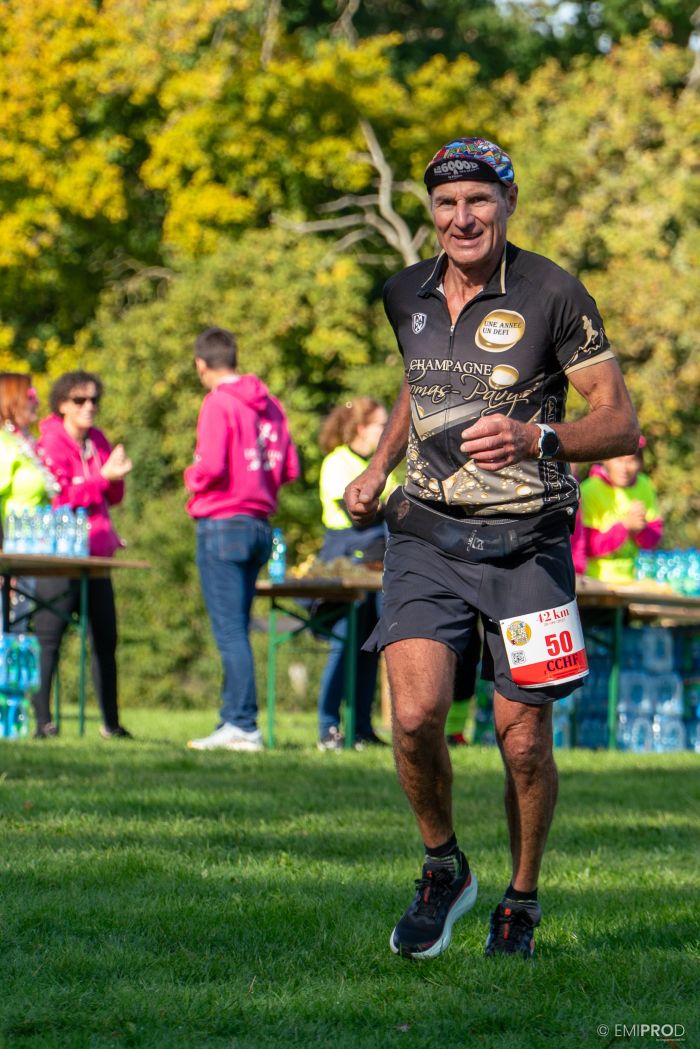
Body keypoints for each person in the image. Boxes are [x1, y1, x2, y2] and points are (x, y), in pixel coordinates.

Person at [344, 136, 639, 959]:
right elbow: (417, 378)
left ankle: (522, 895)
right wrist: (375, 467)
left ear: (507, 204)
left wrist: (535, 435)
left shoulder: (553, 292)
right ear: (430, 213)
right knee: (411, 718)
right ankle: (444, 864)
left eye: (479, 200)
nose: (462, 217)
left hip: (530, 546)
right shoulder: (405, 292)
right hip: (427, 535)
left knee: (523, 741)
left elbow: (621, 423)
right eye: (446, 204)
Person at [185, 326, 299, 753]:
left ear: (202, 364)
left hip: (222, 522)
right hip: (258, 524)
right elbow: (289, 468)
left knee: (229, 629)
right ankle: (235, 720)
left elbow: (210, 466)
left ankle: (241, 724)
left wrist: (189, 477)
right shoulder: (269, 403)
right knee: (240, 626)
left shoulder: (217, 403)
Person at [33, 370, 133, 739]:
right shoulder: (49, 444)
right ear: (62, 405)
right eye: (80, 400)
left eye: (94, 400)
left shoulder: (99, 441)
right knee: (49, 640)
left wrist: (116, 476)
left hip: (97, 558)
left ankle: (111, 723)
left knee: (106, 642)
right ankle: (43, 721)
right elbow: (59, 500)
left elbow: (113, 497)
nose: (89, 407)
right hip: (60, 558)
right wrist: (102, 478)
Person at [316, 398, 396, 750]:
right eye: (381, 425)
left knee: (369, 648)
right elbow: (356, 513)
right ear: (361, 428)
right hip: (345, 568)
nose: (387, 431)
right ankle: (328, 725)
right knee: (344, 643)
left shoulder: (384, 467)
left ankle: (361, 727)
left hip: (379, 570)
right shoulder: (337, 463)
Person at [0, 373, 60, 633]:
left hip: (32, 554)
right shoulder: (3, 444)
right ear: (11, 400)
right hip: (10, 555)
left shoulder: (28, 444)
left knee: (19, 634)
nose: (37, 402)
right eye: (30, 396)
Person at [580, 438, 662, 584]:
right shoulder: (589, 490)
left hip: (633, 582)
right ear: (605, 459)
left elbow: (653, 541)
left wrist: (641, 529)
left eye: (631, 461)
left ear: (640, 463)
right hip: (595, 583)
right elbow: (586, 545)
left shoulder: (644, 485)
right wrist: (624, 528)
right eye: (619, 460)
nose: (624, 468)